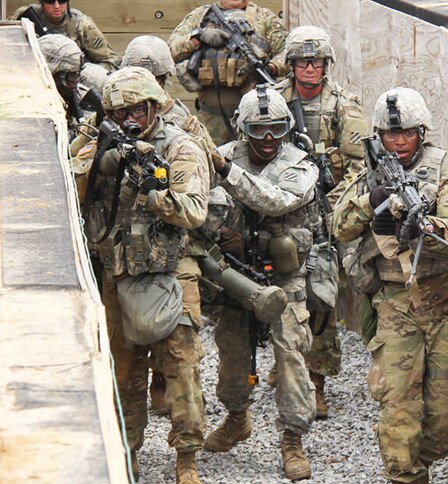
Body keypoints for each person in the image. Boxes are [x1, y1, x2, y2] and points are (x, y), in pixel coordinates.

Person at [332, 87, 448, 484]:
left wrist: (427, 224)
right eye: (390, 134)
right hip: (396, 307)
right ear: (379, 135)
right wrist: (371, 201)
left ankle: (423, 465)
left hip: (445, 306)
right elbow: (338, 225)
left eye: (407, 133)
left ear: (421, 132)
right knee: (396, 404)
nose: (399, 142)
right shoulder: (368, 174)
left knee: (440, 416)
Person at [72, 67, 211, 484]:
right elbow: (67, 194)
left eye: (138, 109)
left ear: (154, 107)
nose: (131, 118)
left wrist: (153, 190)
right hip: (115, 275)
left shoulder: (180, 146)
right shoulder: (100, 142)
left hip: (170, 274)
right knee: (121, 374)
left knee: (183, 370)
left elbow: (192, 211)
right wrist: (99, 163)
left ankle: (186, 462)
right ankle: (125, 457)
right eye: (121, 111)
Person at [205, 85, 319, 482]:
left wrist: (228, 174)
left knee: (290, 352)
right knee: (231, 349)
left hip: (285, 275)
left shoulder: (300, 164)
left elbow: (276, 201)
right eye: (258, 130)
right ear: (242, 129)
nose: (268, 140)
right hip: (236, 271)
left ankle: (293, 437)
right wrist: (219, 231)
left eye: (276, 129)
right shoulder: (219, 158)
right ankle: (237, 416)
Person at [272, 25, 368, 418]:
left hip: (325, 214)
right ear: (291, 64)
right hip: (281, 210)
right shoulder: (273, 102)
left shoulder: (344, 106)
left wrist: (331, 205)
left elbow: (360, 167)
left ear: (325, 65)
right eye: (302, 61)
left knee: (322, 298)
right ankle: (283, 371)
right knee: (278, 293)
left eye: (316, 61)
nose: (309, 68)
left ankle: (319, 380)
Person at [120, 34, 218, 416]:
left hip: (178, 240)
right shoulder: (115, 117)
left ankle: (172, 393)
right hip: (126, 243)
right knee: (125, 349)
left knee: (180, 343)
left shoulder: (186, 129)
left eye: (153, 80)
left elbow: (207, 180)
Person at [168, 0, 287, 145]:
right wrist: (198, 37)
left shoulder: (265, 18)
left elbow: (286, 55)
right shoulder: (200, 16)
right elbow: (170, 51)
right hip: (210, 119)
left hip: (255, 120)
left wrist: (270, 68)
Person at [14, 0, 120, 71]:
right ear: (42, 3)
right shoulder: (27, 17)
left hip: (73, 79)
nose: (56, 6)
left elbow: (110, 61)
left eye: (61, 0)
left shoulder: (81, 24)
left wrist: (84, 73)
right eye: (50, 1)